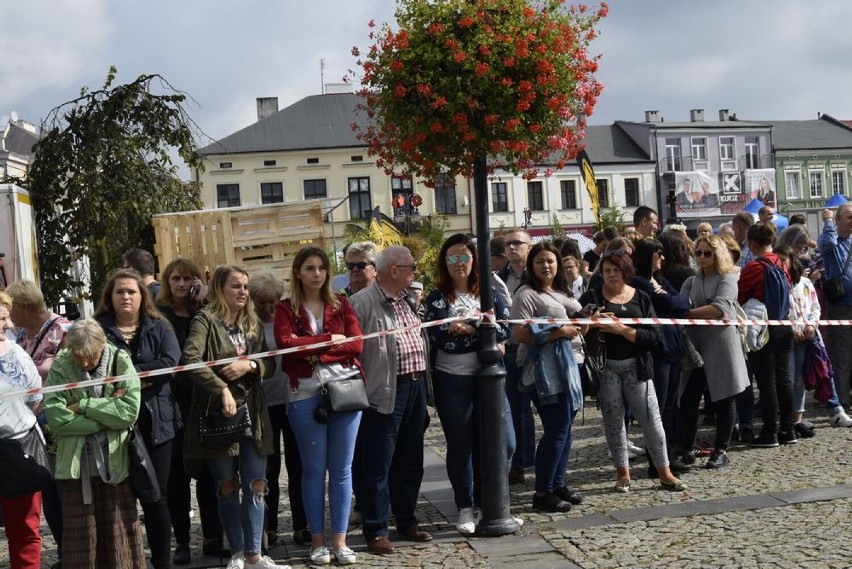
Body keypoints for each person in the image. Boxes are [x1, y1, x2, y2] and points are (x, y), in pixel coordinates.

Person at [181, 265, 288, 569]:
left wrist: (250, 367)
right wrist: (220, 390)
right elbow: (190, 359)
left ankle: (255, 553)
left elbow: (270, 365)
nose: (243, 292)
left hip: (254, 412)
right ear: (219, 289)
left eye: (245, 286)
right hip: (219, 414)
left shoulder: (251, 322)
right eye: (235, 286)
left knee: (257, 482)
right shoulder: (205, 320)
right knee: (227, 485)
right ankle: (238, 552)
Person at [274, 248, 364, 566]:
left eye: (321, 268)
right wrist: (329, 339)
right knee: (313, 472)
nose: (316, 273)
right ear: (298, 272)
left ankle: (340, 541)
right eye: (309, 268)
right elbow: (286, 345)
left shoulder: (341, 303)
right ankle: (317, 543)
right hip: (303, 395)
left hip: (345, 391)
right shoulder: (285, 308)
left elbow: (356, 344)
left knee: (341, 470)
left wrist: (314, 351)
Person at [424, 234, 515, 533]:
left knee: (505, 441)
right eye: (452, 258)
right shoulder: (437, 298)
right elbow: (441, 337)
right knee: (461, 444)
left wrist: (469, 328)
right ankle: (466, 505)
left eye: (464, 257)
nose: (459, 264)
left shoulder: (487, 292)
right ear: (444, 263)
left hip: (489, 379)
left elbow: (504, 328)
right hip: (452, 380)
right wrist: (482, 334)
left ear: (474, 259)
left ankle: (492, 502)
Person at [93, 268, 180, 569]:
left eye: (131, 291)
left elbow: (169, 364)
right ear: (110, 296)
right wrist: (140, 378)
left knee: (156, 497)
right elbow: (91, 368)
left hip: (157, 423)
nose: (126, 296)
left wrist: (128, 378)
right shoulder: (97, 329)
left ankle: (162, 562)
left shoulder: (160, 327)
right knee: (119, 499)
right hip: (113, 425)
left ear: (142, 296)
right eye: (120, 291)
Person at [578, 251, 685, 493]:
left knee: (652, 421)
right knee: (614, 423)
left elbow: (653, 336)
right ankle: (622, 474)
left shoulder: (642, 297)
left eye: (616, 270)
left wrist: (622, 330)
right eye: (606, 270)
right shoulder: (591, 296)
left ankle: (665, 472)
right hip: (606, 369)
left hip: (637, 367)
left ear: (626, 271)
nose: (611, 274)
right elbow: (579, 331)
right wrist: (593, 321)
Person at [43, 318, 146, 568]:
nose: (86, 363)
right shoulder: (61, 364)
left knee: (119, 538)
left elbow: (129, 412)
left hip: (115, 465)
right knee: (82, 544)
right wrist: (105, 417)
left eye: (91, 356)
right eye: (80, 357)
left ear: (103, 345)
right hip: (76, 469)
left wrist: (85, 406)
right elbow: (56, 419)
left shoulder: (119, 359)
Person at [348, 246, 432, 555]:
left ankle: (407, 520)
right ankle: (376, 529)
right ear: (394, 271)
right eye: (411, 267)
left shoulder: (408, 300)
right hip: (383, 391)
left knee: (411, 460)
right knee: (378, 463)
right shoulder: (361, 303)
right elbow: (352, 352)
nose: (415, 272)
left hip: (415, 385)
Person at [156, 258, 227, 564]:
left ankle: (212, 537)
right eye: (176, 279)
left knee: (210, 476)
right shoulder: (159, 316)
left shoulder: (206, 311)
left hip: (205, 401)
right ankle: (182, 542)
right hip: (173, 404)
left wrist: (206, 301)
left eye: (188, 278)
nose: (182, 284)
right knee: (177, 479)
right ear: (167, 283)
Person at [510, 242, 586, 511]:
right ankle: (542, 493)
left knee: (565, 431)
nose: (546, 266)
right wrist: (559, 333)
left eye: (551, 261)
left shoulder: (558, 291)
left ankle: (557, 484)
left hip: (570, 364)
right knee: (556, 429)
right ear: (531, 265)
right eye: (540, 261)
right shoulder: (526, 294)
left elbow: (573, 324)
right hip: (543, 369)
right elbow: (518, 334)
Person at [5, 279, 70, 557]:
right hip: (26, 427)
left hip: (54, 426)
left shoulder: (63, 331)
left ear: (23, 307)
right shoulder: (20, 337)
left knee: (59, 493)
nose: (8, 321)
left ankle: (72, 553)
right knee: (48, 498)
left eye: (9, 312)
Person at [674, 236, 749, 470]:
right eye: (699, 253)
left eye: (708, 253)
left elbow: (722, 308)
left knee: (724, 398)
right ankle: (687, 449)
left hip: (721, 345)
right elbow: (678, 304)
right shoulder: (692, 280)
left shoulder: (728, 278)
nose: (703, 257)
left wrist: (688, 313)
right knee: (688, 399)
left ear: (719, 255)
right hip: (697, 346)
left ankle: (721, 450)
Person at [247, 271, 309, 552]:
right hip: (264, 403)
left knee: (298, 465)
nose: (270, 308)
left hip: (292, 397)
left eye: (274, 301)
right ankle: (268, 528)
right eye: (263, 303)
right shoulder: (249, 326)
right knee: (269, 469)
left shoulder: (288, 318)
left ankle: (301, 525)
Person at [630, 238, 690, 466]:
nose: (663, 259)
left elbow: (684, 302)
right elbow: (671, 305)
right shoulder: (640, 282)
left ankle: (670, 452)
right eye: (658, 254)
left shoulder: (660, 280)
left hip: (674, 346)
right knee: (660, 405)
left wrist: (673, 300)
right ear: (648, 257)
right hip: (658, 349)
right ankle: (658, 458)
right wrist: (672, 301)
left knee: (672, 402)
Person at [738, 223, 795, 447]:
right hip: (784, 324)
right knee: (784, 379)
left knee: (766, 382)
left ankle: (769, 432)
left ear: (752, 243)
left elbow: (740, 295)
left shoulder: (754, 267)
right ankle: (788, 430)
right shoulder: (782, 263)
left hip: (763, 328)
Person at [0, 291, 45, 568]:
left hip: (18, 450)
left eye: (6, 317)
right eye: (1, 318)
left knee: (25, 531)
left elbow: (35, 399)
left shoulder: (17, 354)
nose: (8, 324)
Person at [496, 229, 536, 484]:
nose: (511, 248)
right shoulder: (498, 278)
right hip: (511, 349)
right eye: (508, 244)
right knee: (516, 407)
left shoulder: (539, 275)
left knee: (547, 406)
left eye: (517, 243)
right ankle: (520, 462)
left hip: (537, 346)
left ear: (529, 247)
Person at [818, 206, 852, 411]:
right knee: (842, 356)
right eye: (849, 217)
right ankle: (842, 399)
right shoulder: (828, 240)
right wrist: (828, 221)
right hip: (840, 306)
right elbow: (828, 242)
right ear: (838, 220)